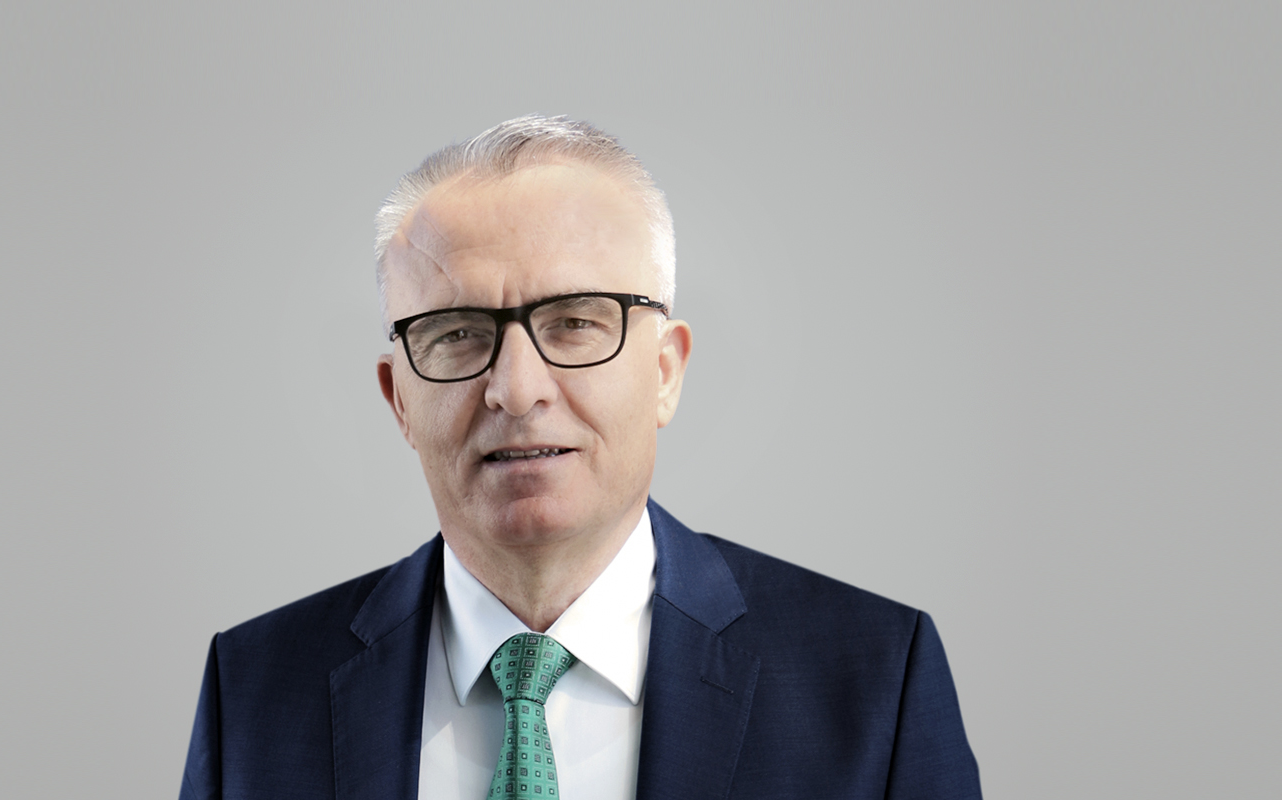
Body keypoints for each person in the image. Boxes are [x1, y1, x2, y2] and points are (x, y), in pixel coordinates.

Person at [179, 114, 982, 800]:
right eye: (458, 334)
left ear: (665, 372)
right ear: (399, 402)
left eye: (573, 323)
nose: (515, 389)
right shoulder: (252, 693)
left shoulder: (874, 684)